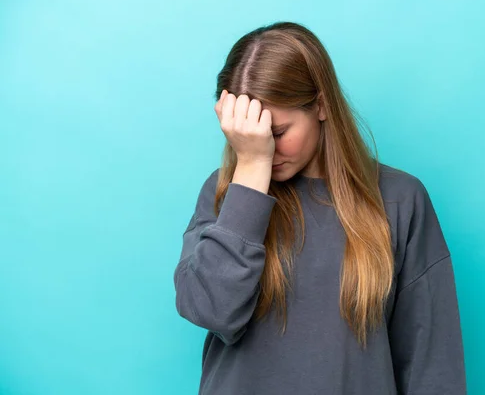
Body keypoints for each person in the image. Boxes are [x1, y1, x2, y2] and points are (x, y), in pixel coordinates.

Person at [173, 21, 466, 395]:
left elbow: (432, 364)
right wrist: (248, 176)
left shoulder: (399, 199)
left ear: (322, 105)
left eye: (276, 134)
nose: (265, 150)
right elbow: (210, 310)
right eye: (249, 137)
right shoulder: (226, 194)